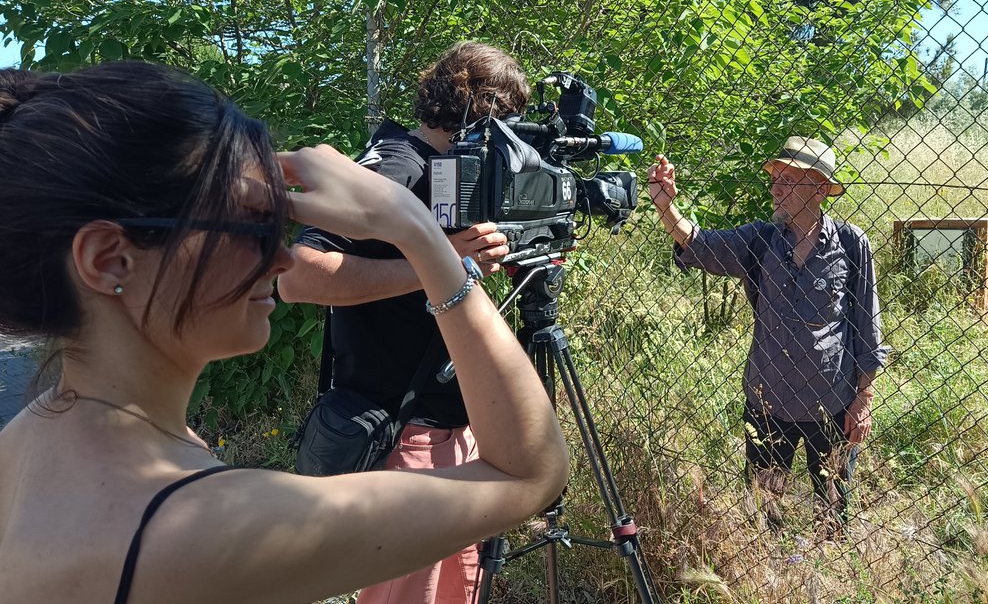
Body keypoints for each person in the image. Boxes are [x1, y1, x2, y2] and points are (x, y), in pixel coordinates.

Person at [0, 61, 569, 603]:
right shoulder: (203, 524)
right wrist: (424, 240)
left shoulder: (29, 441)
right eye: (249, 225)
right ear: (109, 260)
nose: (277, 258)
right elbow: (529, 470)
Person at [276, 41, 526, 603]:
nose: (513, 139)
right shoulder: (398, 164)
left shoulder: (449, 174)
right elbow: (300, 277)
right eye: (508, 121)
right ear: (477, 110)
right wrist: (443, 263)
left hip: (448, 429)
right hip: (406, 432)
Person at [647, 137, 887, 533]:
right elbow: (700, 243)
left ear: (821, 188)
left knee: (832, 510)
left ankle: (826, 569)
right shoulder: (760, 240)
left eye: (789, 179)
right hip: (768, 403)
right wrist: (665, 205)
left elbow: (867, 325)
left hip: (831, 407)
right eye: (775, 178)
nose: (775, 188)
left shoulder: (850, 243)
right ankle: (769, 568)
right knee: (763, 511)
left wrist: (863, 398)